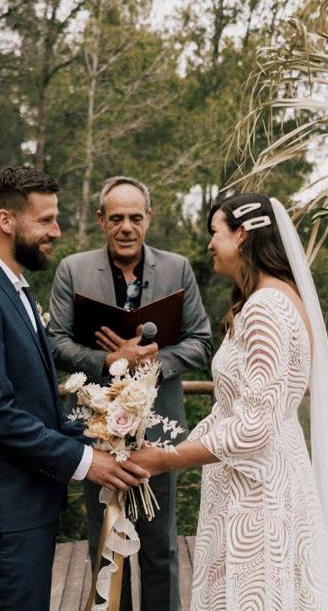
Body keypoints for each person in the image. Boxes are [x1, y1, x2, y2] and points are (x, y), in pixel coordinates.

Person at [0, 167, 148, 610]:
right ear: (6, 220)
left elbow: (33, 405)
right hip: (0, 510)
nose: (57, 231)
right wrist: (87, 462)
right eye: (46, 220)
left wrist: (104, 435)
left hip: (24, 504)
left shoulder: (14, 289)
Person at [130, 193, 328, 610]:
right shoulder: (281, 297)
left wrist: (168, 459)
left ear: (242, 235)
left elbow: (254, 426)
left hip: (255, 494)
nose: (208, 244)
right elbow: (239, 410)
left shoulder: (265, 308)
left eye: (214, 233)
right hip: (271, 473)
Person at [48, 176, 212, 611]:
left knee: (161, 548)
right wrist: (108, 361)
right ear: (101, 220)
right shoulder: (73, 270)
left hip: (159, 433)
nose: (126, 226)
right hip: (98, 432)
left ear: (149, 219)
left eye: (135, 218)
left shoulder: (177, 268)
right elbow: (55, 342)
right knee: (106, 546)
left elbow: (201, 340)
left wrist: (153, 360)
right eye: (116, 217)